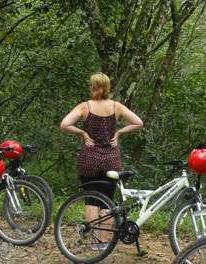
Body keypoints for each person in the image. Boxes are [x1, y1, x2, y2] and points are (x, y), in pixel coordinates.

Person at [59, 73, 143, 249]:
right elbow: (138, 122)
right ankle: (104, 242)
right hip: (111, 158)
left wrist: (82, 133)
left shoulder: (85, 107)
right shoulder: (116, 106)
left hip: (89, 157)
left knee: (91, 199)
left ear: (94, 87)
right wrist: (119, 133)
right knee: (107, 200)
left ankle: (94, 241)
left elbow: (65, 124)